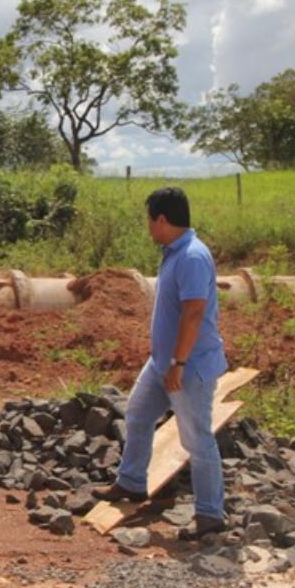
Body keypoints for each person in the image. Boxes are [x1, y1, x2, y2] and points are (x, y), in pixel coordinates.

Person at [94, 186, 229, 541]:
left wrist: (179, 363)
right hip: (163, 362)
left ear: (163, 219)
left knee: (196, 440)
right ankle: (133, 482)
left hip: (188, 366)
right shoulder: (174, 252)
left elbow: (195, 312)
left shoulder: (192, 257)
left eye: (149, 220)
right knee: (137, 414)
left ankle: (210, 515)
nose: (148, 227)